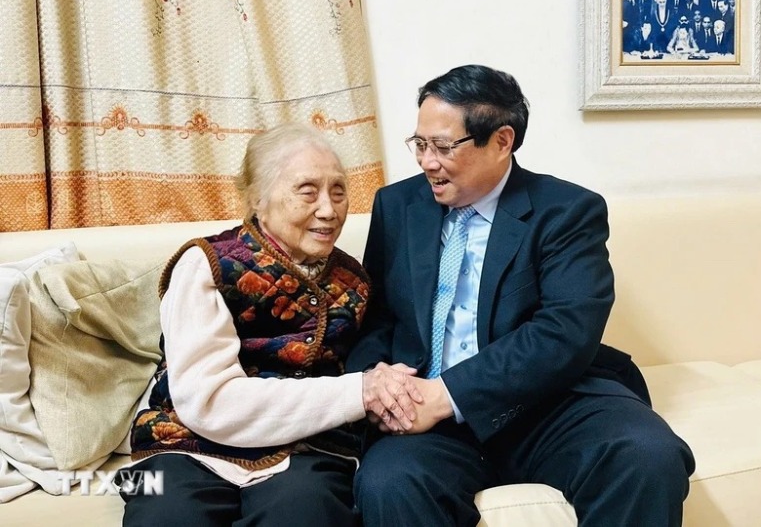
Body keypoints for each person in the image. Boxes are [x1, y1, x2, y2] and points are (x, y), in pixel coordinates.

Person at [347, 65, 695, 526]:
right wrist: (378, 383)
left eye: (444, 147)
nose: (427, 161)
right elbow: (376, 318)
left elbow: (564, 331)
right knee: (390, 483)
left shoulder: (567, 211)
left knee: (647, 455)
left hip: (547, 403)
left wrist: (448, 394)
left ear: (502, 141)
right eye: (420, 144)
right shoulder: (397, 206)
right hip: (426, 412)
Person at [121, 123, 422, 526]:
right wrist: (359, 391)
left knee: (305, 512)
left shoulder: (354, 281)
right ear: (257, 198)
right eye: (307, 191)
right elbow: (206, 403)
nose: (329, 210)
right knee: (165, 515)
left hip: (306, 449)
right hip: (182, 441)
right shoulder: (206, 264)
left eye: (338, 190)